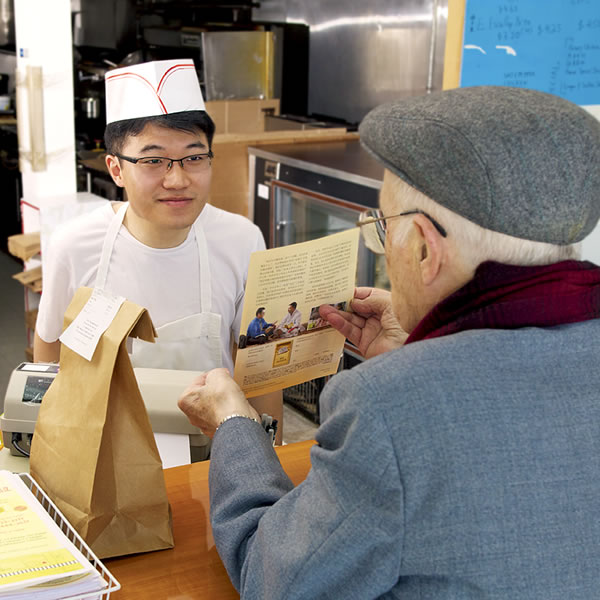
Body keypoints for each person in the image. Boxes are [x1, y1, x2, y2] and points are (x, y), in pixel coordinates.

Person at [177, 85, 600, 598]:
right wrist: (415, 356)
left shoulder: (388, 405)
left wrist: (233, 424)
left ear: (424, 246)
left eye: (382, 225)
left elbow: (273, 580)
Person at [34, 59, 282, 437]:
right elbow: (50, 350)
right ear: (116, 169)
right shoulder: (74, 246)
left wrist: (272, 460)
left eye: (194, 157)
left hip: (217, 457)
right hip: (103, 457)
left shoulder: (241, 240)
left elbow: (260, 368)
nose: (178, 179)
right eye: (153, 161)